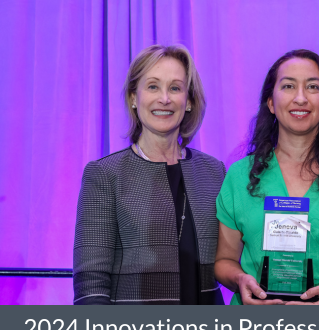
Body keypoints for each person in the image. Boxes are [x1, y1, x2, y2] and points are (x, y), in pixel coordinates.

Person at [215, 49, 319, 305]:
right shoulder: (239, 176)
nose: (300, 98)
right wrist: (240, 280)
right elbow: (224, 261)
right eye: (288, 86)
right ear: (271, 103)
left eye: (313, 87)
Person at [73, 44, 224, 305]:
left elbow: (230, 259)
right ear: (134, 97)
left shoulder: (214, 172)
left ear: (188, 101)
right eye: (152, 86)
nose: (164, 98)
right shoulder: (105, 175)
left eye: (175, 88)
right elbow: (91, 287)